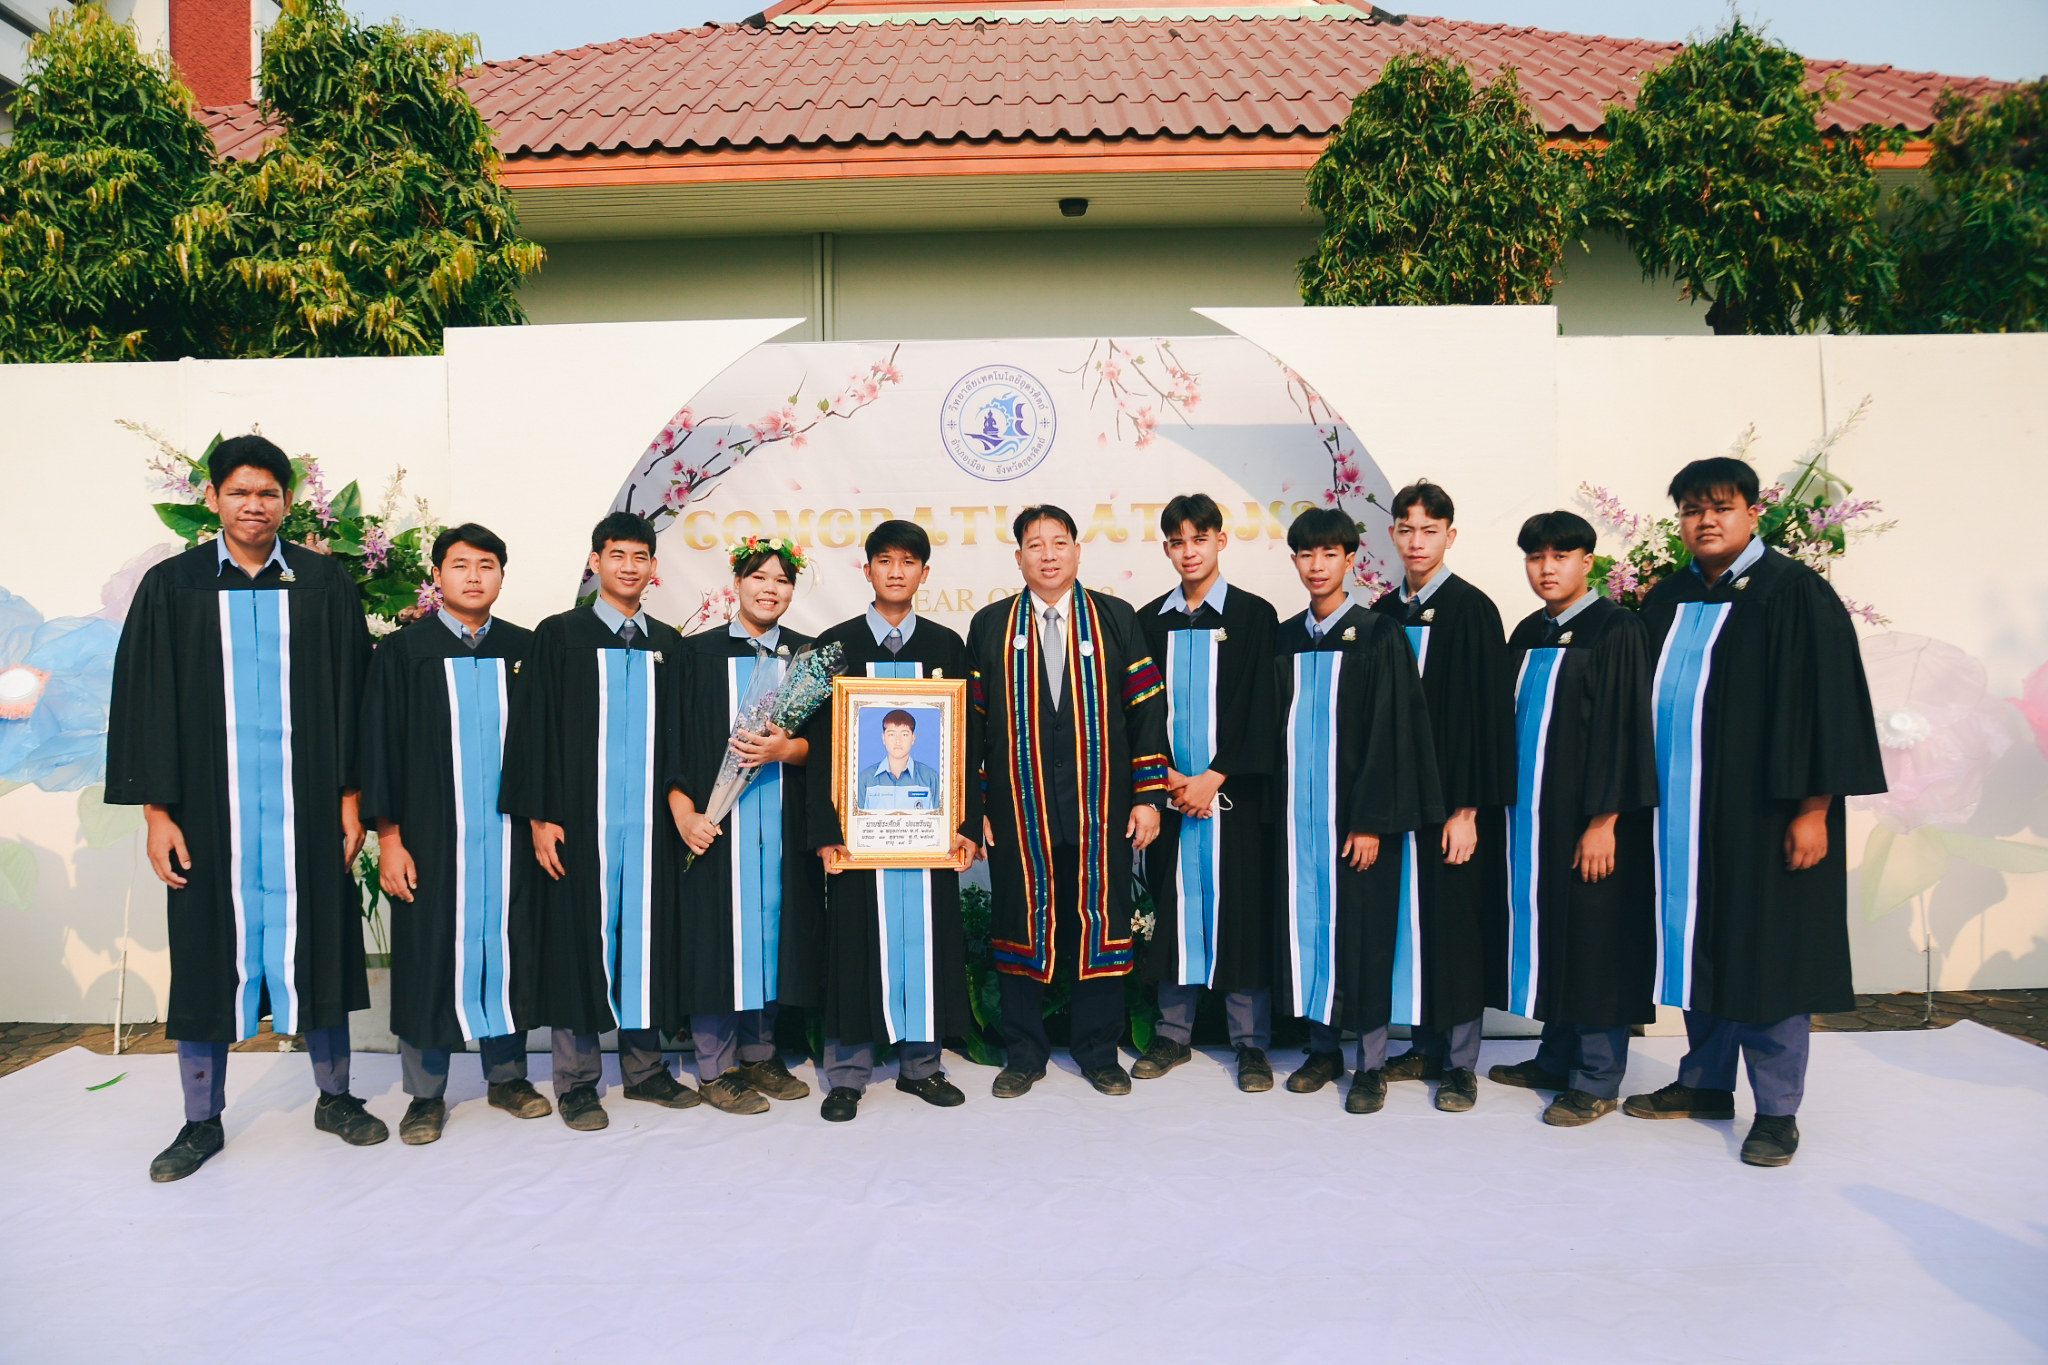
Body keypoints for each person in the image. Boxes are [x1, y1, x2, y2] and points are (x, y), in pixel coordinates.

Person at [108, 435, 382, 1182]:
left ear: (287, 501)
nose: (254, 505)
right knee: (205, 961)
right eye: (239, 492)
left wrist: (352, 795)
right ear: (213, 499)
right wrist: (156, 814)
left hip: (306, 812)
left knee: (319, 949)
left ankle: (336, 1097)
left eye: (268, 492)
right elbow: (144, 701)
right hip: (209, 817)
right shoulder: (173, 586)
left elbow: (357, 695)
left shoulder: (325, 584)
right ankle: (201, 1121)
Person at [1623, 458, 1886, 1166]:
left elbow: (1829, 706)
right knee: (1698, 946)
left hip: (1765, 815)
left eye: (1721, 506)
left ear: (1753, 513)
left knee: (1768, 954)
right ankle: (1705, 1082)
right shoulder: (1669, 595)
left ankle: (1777, 1110)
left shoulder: (1794, 593)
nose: (1705, 520)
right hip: (1681, 818)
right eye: (1691, 509)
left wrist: (1814, 810)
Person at [499, 512, 697, 1132]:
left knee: (644, 943)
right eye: (617, 555)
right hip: (578, 827)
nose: (629, 566)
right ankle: (577, 1082)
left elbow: (686, 740)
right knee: (577, 945)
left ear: (654, 568)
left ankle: (644, 1071)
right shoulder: (558, 635)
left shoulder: (672, 645)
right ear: (595, 562)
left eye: (641, 556)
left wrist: (682, 804)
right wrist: (539, 817)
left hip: (649, 830)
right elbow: (533, 731)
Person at [964, 505, 1169, 1098]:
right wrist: (975, 806)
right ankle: (1024, 1052)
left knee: (1098, 922)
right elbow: (973, 724)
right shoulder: (991, 626)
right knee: (1018, 923)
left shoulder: (1114, 618)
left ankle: (1098, 1052)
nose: (1048, 555)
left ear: (1078, 550)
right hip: (1016, 808)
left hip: (1099, 805)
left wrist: (1149, 797)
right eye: (1035, 544)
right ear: (1018, 556)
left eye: (1059, 543)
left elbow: (1147, 711)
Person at [358, 523, 552, 1145]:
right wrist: (388, 839)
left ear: (501, 576)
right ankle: (424, 1094)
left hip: (510, 839)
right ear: (436, 576)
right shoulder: (402, 652)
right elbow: (379, 752)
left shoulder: (526, 651)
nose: (474, 576)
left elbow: (550, 750)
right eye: (460, 565)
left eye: (487, 565)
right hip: (431, 841)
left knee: (510, 949)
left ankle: (508, 1078)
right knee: (428, 957)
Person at [1486, 511, 1659, 1126]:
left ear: (1589, 561)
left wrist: (1603, 821)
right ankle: (1554, 1056)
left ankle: (1596, 1076)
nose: (1547, 568)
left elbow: (1624, 729)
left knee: (1595, 943)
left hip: (1590, 822)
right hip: (1534, 817)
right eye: (1535, 557)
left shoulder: (1616, 628)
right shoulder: (1530, 629)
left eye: (1561, 556)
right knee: (1552, 933)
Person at [808, 520, 980, 1122]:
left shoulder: (949, 645)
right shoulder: (831, 645)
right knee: (854, 946)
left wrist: (967, 824)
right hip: (857, 838)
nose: (897, 571)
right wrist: (825, 834)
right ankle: (848, 1074)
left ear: (925, 573)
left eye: (909, 562)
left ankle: (921, 1068)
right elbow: (808, 746)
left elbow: (969, 745)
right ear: (868, 570)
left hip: (927, 834)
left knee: (926, 943)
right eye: (885, 560)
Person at [1274, 507, 1442, 1115]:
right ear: (1294, 561)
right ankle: (1323, 1051)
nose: (1316, 566)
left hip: (1356, 825)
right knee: (1310, 934)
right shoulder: (1287, 636)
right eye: (1305, 555)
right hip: (1301, 825)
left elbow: (1394, 736)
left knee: (1367, 939)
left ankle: (1370, 1065)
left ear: (1350, 559)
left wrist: (1371, 820)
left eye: (1329, 554)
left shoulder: (1377, 635)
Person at [1367, 481, 1515, 1113]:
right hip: (1397, 804)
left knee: (1453, 929)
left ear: (1450, 535)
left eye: (1430, 530)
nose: (1416, 541)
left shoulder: (1473, 610)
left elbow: (1488, 715)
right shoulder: (1381, 613)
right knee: (1406, 927)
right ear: (1393, 535)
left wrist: (1467, 810)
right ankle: (1422, 1045)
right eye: (1406, 529)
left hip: (1451, 801)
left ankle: (1459, 1063)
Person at [1130, 493, 1282, 1092]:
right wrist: (1165, 778)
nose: (1188, 552)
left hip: (1233, 797)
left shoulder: (1253, 615)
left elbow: (1261, 708)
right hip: (1169, 797)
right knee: (1172, 911)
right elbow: (1140, 709)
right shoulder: (1150, 621)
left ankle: (1250, 1044)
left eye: (1199, 539)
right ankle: (1173, 1035)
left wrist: (1216, 775)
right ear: (1167, 548)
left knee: (1240, 911)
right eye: (1176, 542)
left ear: (1221, 540)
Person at [671, 536, 825, 1116]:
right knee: (718, 939)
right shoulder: (697, 655)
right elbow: (674, 741)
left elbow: (828, 749)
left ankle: (760, 1054)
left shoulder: (803, 661)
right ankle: (715, 1067)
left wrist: (789, 749)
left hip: (780, 825)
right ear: (736, 583)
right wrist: (684, 812)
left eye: (782, 581)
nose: (770, 588)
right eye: (759, 576)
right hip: (717, 825)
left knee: (770, 935)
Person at [857, 710, 942, 810]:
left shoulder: (931, 778)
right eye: (891, 734)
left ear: (913, 738)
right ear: (883, 738)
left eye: (904, 734)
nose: (898, 741)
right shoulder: (865, 779)